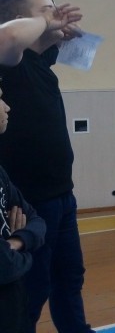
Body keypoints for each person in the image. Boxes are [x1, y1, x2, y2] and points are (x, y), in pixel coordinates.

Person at [0, 0, 95, 333]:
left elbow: (73, 46)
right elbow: (9, 37)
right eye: (45, 10)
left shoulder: (39, 60)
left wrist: (61, 30)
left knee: (69, 277)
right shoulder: (12, 62)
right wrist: (47, 24)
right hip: (31, 203)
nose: (55, 16)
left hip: (61, 195)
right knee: (32, 288)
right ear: (17, 18)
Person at [0, 86, 47, 333]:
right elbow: (4, 266)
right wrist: (24, 252)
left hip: (13, 305)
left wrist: (15, 242)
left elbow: (36, 221)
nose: (7, 107)